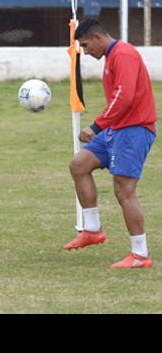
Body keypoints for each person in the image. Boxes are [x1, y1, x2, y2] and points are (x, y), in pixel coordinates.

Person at [66, 17, 157, 268]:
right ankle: (93, 230)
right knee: (79, 165)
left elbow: (124, 97)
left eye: (85, 46)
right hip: (117, 130)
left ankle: (140, 255)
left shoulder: (123, 54)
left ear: (98, 37)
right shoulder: (111, 57)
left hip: (134, 130)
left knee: (124, 190)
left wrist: (96, 126)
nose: (85, 52)